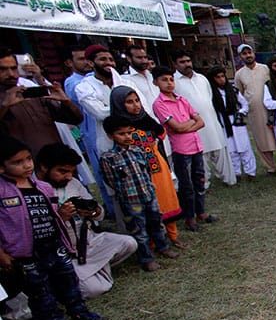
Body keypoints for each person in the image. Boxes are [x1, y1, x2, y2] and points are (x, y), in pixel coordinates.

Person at [0, 136, 101, 320]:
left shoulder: (43, 187)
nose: (27, 165)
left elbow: (54, 215)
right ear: (2, 168)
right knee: (40, 293)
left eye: (28, 159)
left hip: (54, 244)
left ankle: (79, 312)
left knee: (68, 281)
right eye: (17, 162)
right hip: (26, 253)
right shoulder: (2, 191)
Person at [35, 142, 137, 298]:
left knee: (129, 243)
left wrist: (93, 212)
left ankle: (87, 272)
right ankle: (87, 273)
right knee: (95, 289)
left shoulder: (73, 183)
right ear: (43, 167)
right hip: (63, 251)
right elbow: (34, 233)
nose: (68, 176)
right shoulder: (32, 191)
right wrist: (60, 218)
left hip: (88, 242)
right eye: (62, 171)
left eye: (71, 172)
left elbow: (99, 212)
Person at [99, 115, 179, 272]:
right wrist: (126, 193)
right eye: (121, 134)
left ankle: (163, 247)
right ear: (111, 136)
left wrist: (150, 188)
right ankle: (146, 259)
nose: (127, 137)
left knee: (156, 223)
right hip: (130, 201)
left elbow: (146, 172)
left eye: (129, 133)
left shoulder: (138, 151)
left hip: (148, 194)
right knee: (139, 230)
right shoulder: (109, 158)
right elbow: (111, 180)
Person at [110, 86, 186, 248]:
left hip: (158, 166)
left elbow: (160, 132)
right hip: (138, 174)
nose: (136, 105)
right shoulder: (121, 129)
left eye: (137, 100)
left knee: (167, 199)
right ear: (119, 104)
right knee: (149, 206)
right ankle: (153, 242)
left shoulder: (146, 119)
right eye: (129, 102)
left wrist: (154, 143)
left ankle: (173, 236)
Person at [152, 65, 212, 232]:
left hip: (196, 145)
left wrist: (185, 126)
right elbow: (175, 127)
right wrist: (190, 124)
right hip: (181, 150)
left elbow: (201, 122)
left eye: (171, 79)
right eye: (164, 80)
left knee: (199, 181)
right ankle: (189, 218)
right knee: (186, 186)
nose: (169, 83)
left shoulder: (182, 100)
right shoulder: (159, 104)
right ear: (155, 82)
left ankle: (201, 212)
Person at [0, 47, 83, 159]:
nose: (11, 74)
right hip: (23, 166)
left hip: (56, 161)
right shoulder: (5, 101)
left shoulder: (31, 91)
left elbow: (75, 119)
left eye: (14, 68)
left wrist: (66, 102)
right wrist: (4, 106)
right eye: (3, 69)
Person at [75, 44, 126, 217]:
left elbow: (140, 108)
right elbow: (99, 113)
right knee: (115, 185)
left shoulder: (124, 81)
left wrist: (112, 107)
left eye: (110, 59)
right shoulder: (84, 87)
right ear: (91, 63)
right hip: (106, 140)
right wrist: (125, 107)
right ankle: (123, 222)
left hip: (132, 138)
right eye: (102, 59)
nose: (108, 63)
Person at [172, 50, 237, 187]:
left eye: (188, 61)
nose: (187, 64)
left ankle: (229, 179)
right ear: (175, 64)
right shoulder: (174, 82)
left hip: (212, 122)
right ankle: (204, 184)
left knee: (220, 150)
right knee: (200, 156)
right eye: (182, 62)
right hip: (194, 126)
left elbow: (209, 99)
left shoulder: (201, 78)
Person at [233, 44, 276, 175]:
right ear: (240, 56)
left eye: (249, 52)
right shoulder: (239, 74)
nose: (248, 55)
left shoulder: (265, 69)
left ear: (254, 53)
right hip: (255, 112)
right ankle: (271, 167)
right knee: (261, 139)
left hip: (272, 109)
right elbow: (240, 94)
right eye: (244, 54)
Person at [209, 67, 256, 181]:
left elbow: (244, 104)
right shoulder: (211, 94)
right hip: (223, 123)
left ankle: (250, 172)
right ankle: (236, 173)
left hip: (236, 122)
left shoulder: (233, 90)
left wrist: (240, 113)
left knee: (244, 147)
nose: (221, 79)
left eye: (222, 76)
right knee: (231, 150)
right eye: (218, 77)